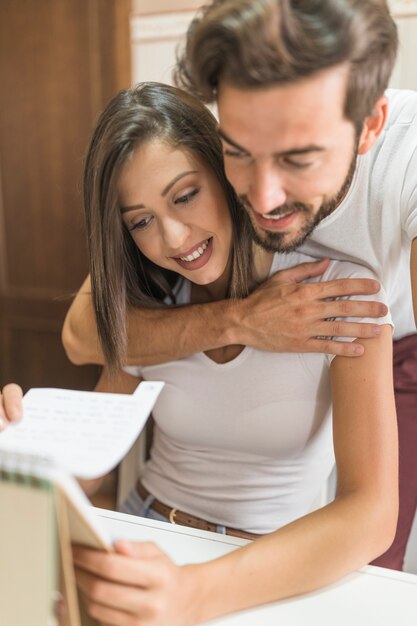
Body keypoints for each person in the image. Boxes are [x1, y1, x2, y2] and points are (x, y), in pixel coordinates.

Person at [64, 0, 417, 572]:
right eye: (140, 221)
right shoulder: (150, 294)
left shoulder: (342, 291)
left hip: (259, 560)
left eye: (184, 196)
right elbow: (85, 460)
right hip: (144, 524)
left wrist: (193, 587)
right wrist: (23, 448)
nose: (174, 238)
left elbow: (370, 513)